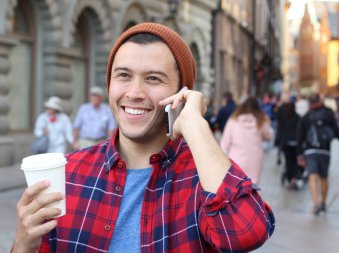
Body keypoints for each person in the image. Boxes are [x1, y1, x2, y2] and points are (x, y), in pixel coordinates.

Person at [13, 23, 275, 253]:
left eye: (153, 78)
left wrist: (195, 124)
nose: (135, 92)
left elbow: (245, 234)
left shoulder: (204, 178)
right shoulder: (70, 174)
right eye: (123, 76)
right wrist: (24, 243)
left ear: (182, 94)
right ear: (109, 85)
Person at [297, 93, 339, 215]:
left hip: (310, 151)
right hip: (325, 151)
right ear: (320, 101)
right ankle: (324, 203)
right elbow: (337, 131)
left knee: (312, 177)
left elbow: (299, 137)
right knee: (324, 177)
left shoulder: (306, 117)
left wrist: (299, 155)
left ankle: (316, 203)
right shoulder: (328, 115)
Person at [220, 96, 273, 184]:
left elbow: (225, 143)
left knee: (235, 186)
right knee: (252, 186)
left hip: (236, 159)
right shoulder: (260, 121)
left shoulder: (233, 120)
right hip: (255, 160)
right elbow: (269, 136)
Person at [276, 101, 301, 189]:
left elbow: (280, 130)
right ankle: (293, 178)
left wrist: (278, 141)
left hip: (286, 143)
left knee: (288, 162)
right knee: (294, 162)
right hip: (296, 143)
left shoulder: (284, 117)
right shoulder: (297, 117)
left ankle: (291, 179)